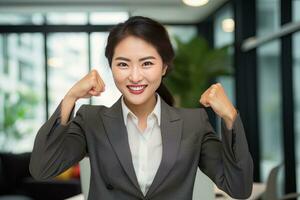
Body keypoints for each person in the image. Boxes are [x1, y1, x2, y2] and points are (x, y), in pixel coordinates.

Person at [29, 16, 253, 200]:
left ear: (164, 67)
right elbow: (42, 168)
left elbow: (239, 188)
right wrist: (70, 98)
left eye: (147, 63)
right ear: (111, 67)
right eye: (123, 64)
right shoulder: (91, 120)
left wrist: (230, 117)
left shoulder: (193, 123)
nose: (135, 77)